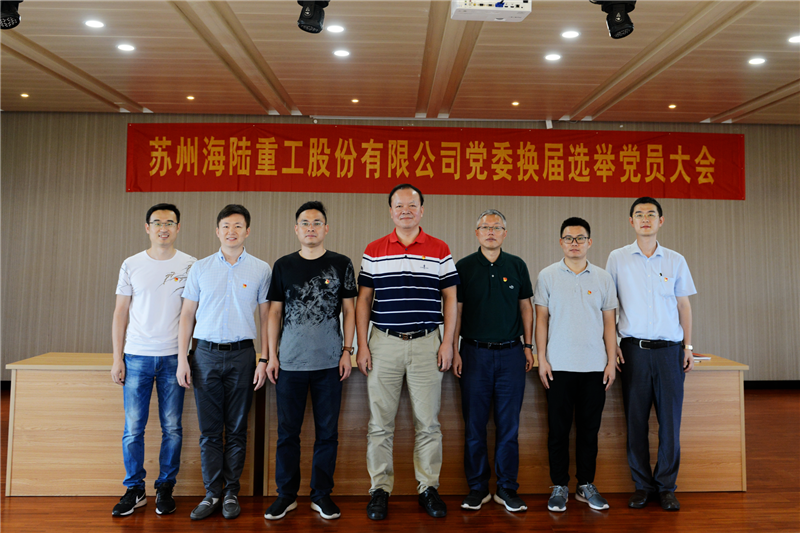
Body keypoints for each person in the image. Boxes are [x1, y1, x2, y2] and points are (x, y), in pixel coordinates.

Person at [356, 184, 460, 520]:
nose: (405, 211)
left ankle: (428, 488)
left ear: (422, 210)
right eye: (399, 206)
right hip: (383, 343)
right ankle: (379, 490)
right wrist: (361, 344)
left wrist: (448, 343)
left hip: (427, 342)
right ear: (390, 211)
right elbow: (363, 300)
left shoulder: (440, 249)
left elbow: (450, 299)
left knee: (428, 424)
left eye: (411, 205)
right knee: (379, 424)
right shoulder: (374, 250)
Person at [262, 201, 357, 521]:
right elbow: (274, 313)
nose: (311, 228)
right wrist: (271, 355)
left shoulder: (341, 263)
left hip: (329, 364)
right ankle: (286, 496)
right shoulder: (283, 265)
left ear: (326, 228)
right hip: (289, 364)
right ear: (296, 229)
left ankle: (321, 495)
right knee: (287, 434)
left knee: (327, 433)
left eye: (317, 223)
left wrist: (347, 351)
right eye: (305, 223)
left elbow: (350, 310)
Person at [176, 204, 271, 520]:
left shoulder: (261, 269)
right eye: (226, 226)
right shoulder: (200, 268)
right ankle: (212, 494)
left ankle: (231, 493)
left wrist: (264, 358)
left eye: (238, 226)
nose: (232, 231)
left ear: (248, 231)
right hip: (204, 355)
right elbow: (187, 315)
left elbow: (267, 317)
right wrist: (182, 358)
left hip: (243, 356)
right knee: (210, 431)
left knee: (238, 429)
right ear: (217, 231)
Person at [606, 197, 696, 512]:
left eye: (651, 214)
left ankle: (666, 488)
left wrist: (688, 347)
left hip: (670, 352)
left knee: (670, 424)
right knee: (636, 422)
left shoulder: (675, 260)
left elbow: (684, 306)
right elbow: (610, 306)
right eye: (639, 214)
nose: (645, 219)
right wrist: (612, 344)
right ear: (631, 221)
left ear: (661, 221)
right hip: (634, 351)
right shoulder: (617, 258)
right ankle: (642, 486)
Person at [111, 203, 196, 517]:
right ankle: (134, 489)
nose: (164, 228)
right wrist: (117, 358)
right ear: (147, 227)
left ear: (178, 227)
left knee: (172, 427)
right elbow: (120, 312)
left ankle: (165, 487)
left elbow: (193, 314)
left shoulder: (191, 265)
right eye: (158, 222)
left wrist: (186, 356)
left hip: (174, 357)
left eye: (170, 222)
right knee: (133, 428)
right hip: (136, 356)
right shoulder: (131, 264)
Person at [534, 217, 618, 513]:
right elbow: (541, 319)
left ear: (589, 242)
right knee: (558, 431)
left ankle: (586, 485)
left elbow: (610, 323)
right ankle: (559, 486)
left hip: (594, 367)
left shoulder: (603, 278)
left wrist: (611, 361)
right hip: (558, 366)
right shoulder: (547, 276)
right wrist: (541, 358)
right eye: (569, 238)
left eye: (580, 238)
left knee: (589, 431)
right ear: (561, 242)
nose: (574, 243)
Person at [452, 209, 534, 512]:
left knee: (508, 427)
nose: (490, 231)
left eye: (496, 227)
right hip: (474, 354)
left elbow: (526, 307)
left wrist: (529, 346)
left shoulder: (517, 265)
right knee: (474, 426)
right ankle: (477, 488)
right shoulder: (463, 267)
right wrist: (454, 348)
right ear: (477, 233)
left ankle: (507, 488)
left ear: (505, 233)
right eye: (485, 227)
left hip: (512, 354)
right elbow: (457, 311)